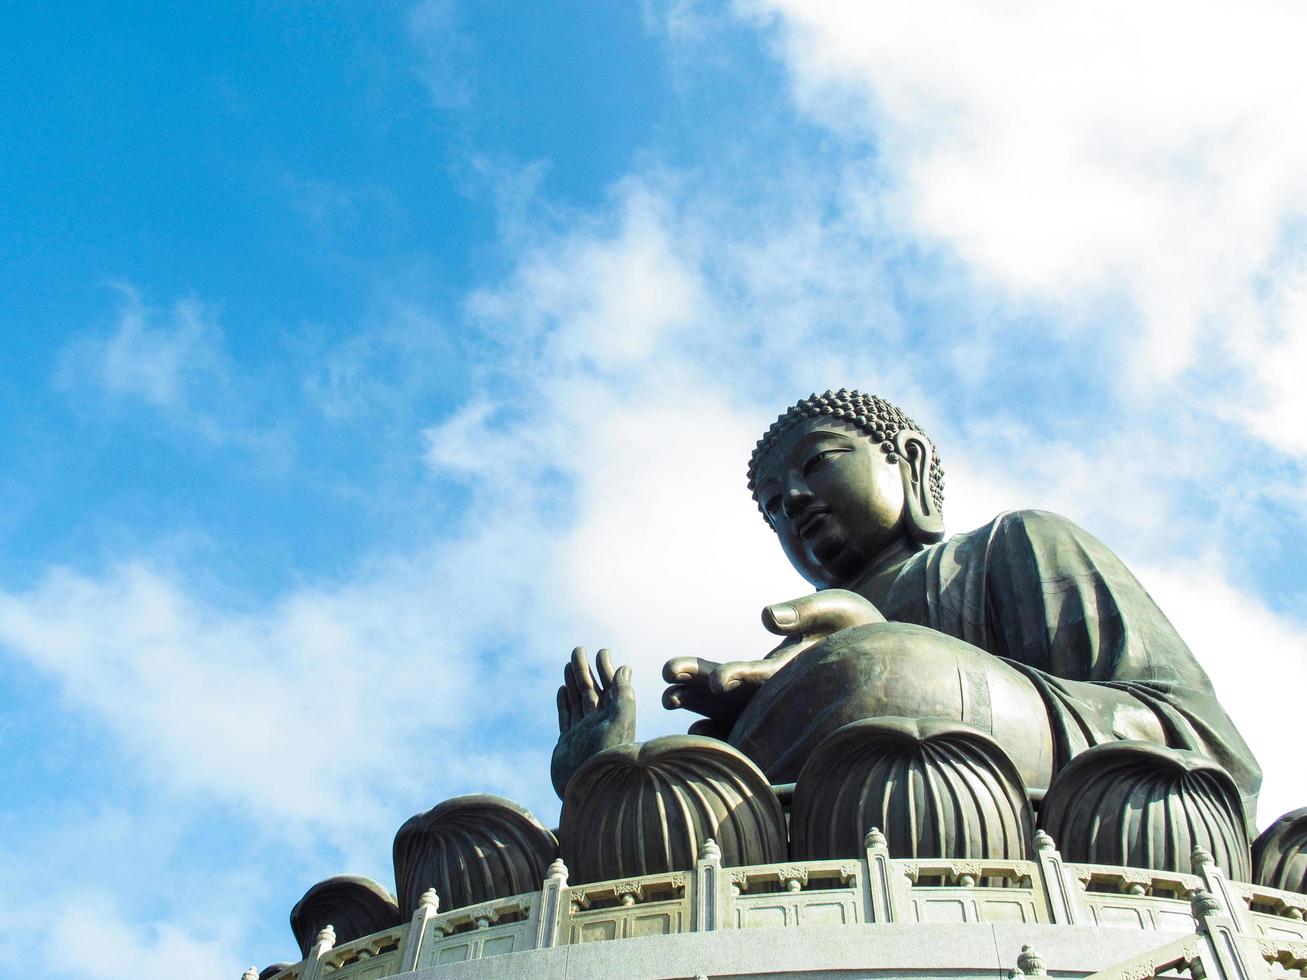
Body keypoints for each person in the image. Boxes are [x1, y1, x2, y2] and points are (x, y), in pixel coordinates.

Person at [553, 389, 1261, 828]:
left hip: (1049, 824)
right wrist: (606, 774)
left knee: (883, 665)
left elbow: (1200, 746)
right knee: (676, 764)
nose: (792, 500)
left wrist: (878, 657)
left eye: (818, 463)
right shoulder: (794, 654)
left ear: (910, 464)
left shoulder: (1016, 545)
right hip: (815, 855)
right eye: (772, 504)